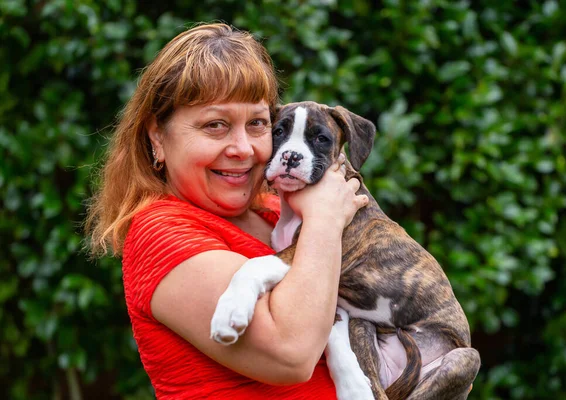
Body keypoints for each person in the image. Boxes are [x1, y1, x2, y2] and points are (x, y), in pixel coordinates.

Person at [85, 23, 368, 399]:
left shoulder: (274, 208)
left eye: (257, 124)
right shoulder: (160, 231)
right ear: (157, 137)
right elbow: (291, 353)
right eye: (215, 125)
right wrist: (325, 220)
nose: (243, 148)